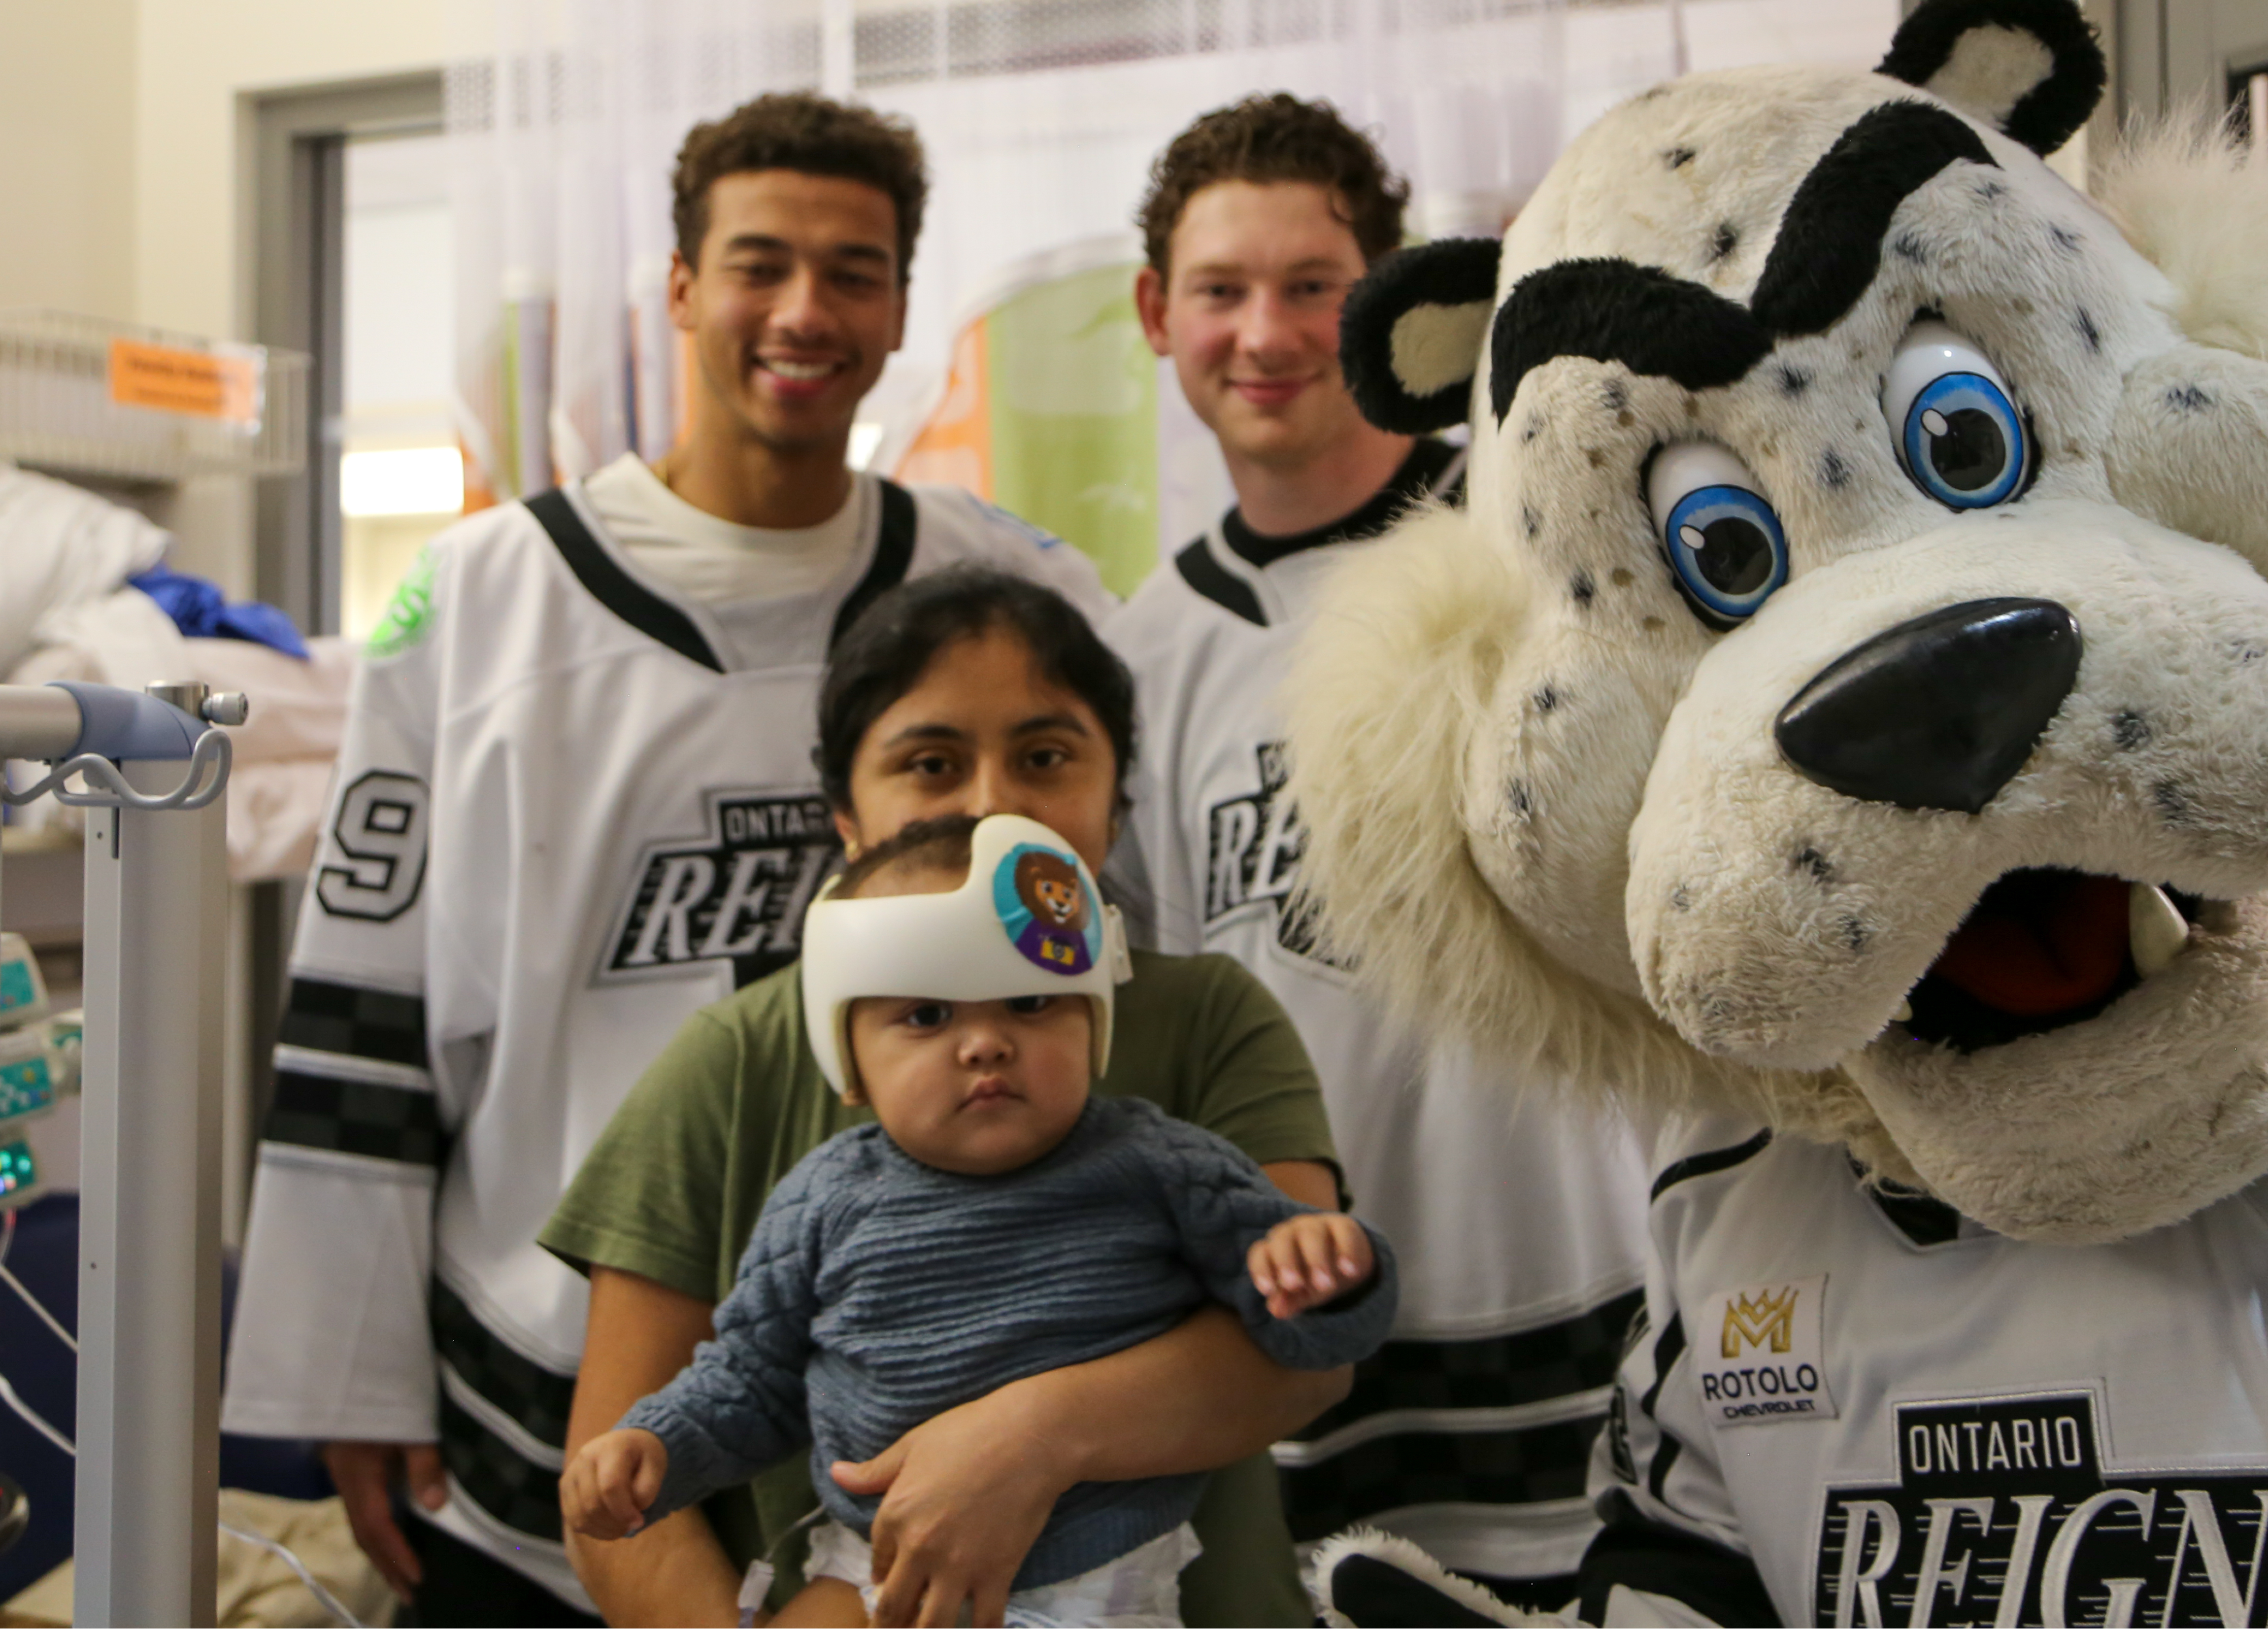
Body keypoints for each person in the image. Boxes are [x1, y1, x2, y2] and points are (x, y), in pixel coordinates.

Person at [222, 92, 1110, 1625]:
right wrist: (353, 1371)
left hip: (923, 1392)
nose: (804, 311)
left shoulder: (1012, 591)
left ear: (904, 303)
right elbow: (366, 1013)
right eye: (759, 263)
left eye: (855, 271)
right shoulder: (481, 599)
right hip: (541, 1401)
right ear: (681, 286)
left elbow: (1094, 970)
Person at [543, 567, 1352, 1627]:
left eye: (1047, 757)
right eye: (930, 763)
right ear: (845, 814)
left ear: (1116, 799)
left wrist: (1031, 1438)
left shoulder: (1208, 1018)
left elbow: (1305, 1356)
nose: (992, 804)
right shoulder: (734, 1061)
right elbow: (621, 1471)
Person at [1109, 93, 1653, 1604]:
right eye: (1221, 290)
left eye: (1312, 287)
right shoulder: (1143, 656)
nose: (1265, 332)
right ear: (1160, 315)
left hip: (1597, 1278)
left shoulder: (1540, 546)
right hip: (1312, 1338)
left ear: (1387, 302)